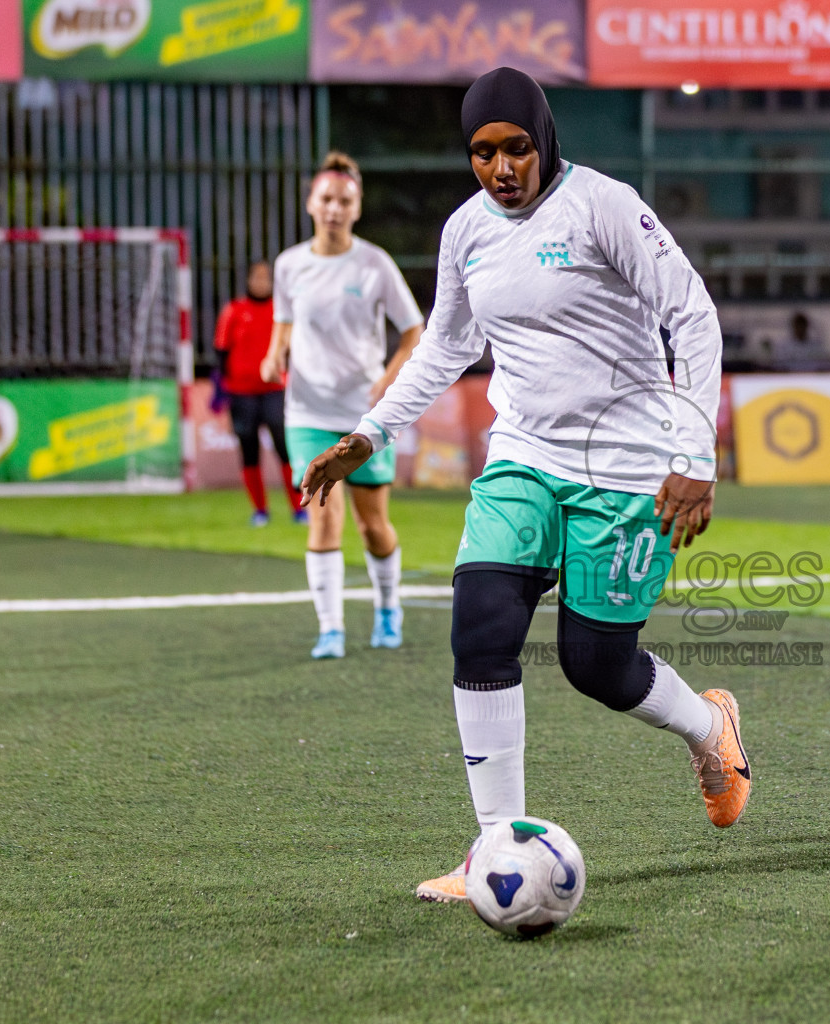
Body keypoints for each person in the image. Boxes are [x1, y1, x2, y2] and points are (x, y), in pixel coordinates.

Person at [300, 67, 749, 903]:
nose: (500, 168)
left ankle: (711, 728)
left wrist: (697, 456)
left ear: (543, 140)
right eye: (481, 152)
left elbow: (691, 314)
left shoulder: (603, 206)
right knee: (479, 629)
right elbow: (445, 344)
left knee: (596, 666)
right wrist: (369, 433)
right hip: (524, 459)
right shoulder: (466, 229)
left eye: (514, 149)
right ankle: (495, 848)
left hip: (626, 470)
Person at [260, 151, 425, 660]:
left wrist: (388, 379)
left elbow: (414, 329)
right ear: (311, 202)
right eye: (326, 198)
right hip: (307, 412)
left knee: (372, 525)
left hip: (364, 416)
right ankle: (330, 628)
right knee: (322, 518)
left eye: (344, 201)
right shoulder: (289, 265)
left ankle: (388, 608)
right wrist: (273, 354)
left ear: (357, 208)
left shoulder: (374, 264)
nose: (334, 207)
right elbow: (285, 322)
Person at [213, 261, 304, 527]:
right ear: (249, 280)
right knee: (249, 449)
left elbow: (294, 348)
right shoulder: (234, 310)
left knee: (285, 449)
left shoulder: (281, 312)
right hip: (242, 393)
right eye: (257, 278)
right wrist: (221, 387)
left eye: (267, 278)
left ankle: (298, 509)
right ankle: (260, 510)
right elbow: (221, 350)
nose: (262, 283)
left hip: (275, 390)